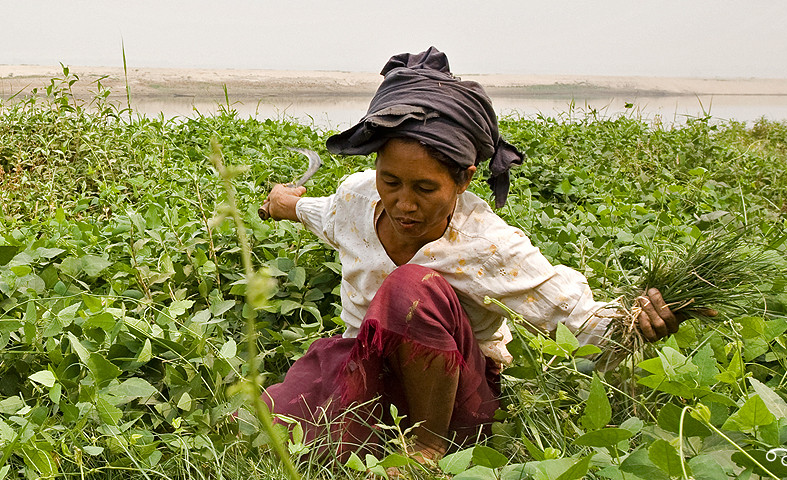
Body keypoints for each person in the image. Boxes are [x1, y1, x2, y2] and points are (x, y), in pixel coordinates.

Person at [257, 47, 679, 466]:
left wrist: (637, 323)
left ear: (463, 180)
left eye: (425, 189)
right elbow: (321, 212)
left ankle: (424, 450)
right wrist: (281, 202)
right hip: (364, 364)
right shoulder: (357, 197)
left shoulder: (488, 245)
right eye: (391, 181)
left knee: (409, 288)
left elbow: (578, 323)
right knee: (265, 426)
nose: (404, 204)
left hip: (453, 392)